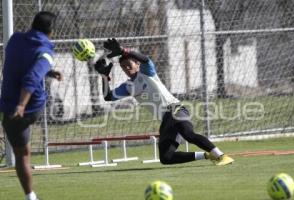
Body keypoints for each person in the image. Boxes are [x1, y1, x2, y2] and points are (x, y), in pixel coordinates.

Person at [94, 38, 234, 166]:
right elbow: (108, 97)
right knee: (166, 158)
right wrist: (104, 77)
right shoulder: (128, 86)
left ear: (137, 64)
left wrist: (125, 50)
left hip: (174, 108)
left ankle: (221, 156)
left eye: (129, 64)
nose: (126, 68)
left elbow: (146, 59)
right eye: (123, 67)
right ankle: (206, 155)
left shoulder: (147, 72)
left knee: (188, 134)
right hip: (166, 120)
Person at [0, 11, 62, 200]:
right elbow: (32, 77)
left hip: (7, 106)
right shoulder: (46, 50)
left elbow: (22, 65)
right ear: (50, 30)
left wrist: (48, 72)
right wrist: (22, 105)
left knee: (21, 154)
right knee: (23, 152)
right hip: (30, 108)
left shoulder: (15, 39)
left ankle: (30, 196)